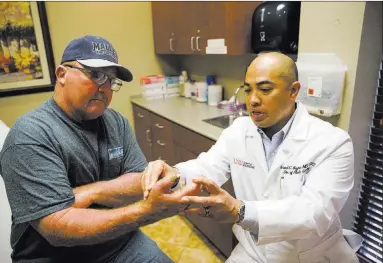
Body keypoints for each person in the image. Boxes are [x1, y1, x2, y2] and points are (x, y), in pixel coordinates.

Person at [142, 52, 361, 263]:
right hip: (254, 252)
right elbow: (208, 166)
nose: (253, 100)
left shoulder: (333, 142)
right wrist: (175, 175)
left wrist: (240, 211)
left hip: (312, 256)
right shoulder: (239, 131)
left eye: (265, 89)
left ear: (293, 91)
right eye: (248, 90)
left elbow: (315, 213)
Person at [0, 35, 200, 263]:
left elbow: (140, 181)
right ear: (61, 75)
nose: (105, 88)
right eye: (95, 74)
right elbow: (58, 229)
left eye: (112, 80)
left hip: (119, 242)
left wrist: (89, 192)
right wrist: (146, 212)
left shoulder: (116, 122)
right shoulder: (31, 135)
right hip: (56, 256)